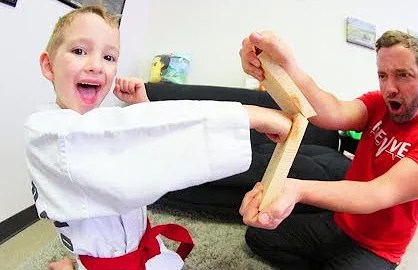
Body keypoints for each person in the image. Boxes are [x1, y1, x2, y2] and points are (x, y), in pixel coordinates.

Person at [26, 5, 292, 270]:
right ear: (48, 65)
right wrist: (248, 116)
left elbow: (142, 157)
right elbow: (116, 148)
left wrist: (144, 107)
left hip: (143, 247)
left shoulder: (99, 123)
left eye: (109, 57)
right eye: (79, 51)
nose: (96, 65)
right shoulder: (46, 133)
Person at [238, 30, 418, 269]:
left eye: (403, 75)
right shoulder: (378, 104)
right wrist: (287, 67)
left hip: (377, 250)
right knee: (258, 236)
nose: (390, 88)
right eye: (383, 75)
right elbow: (332, 112)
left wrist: (297, 189)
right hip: (339, 223)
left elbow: (377, 194)